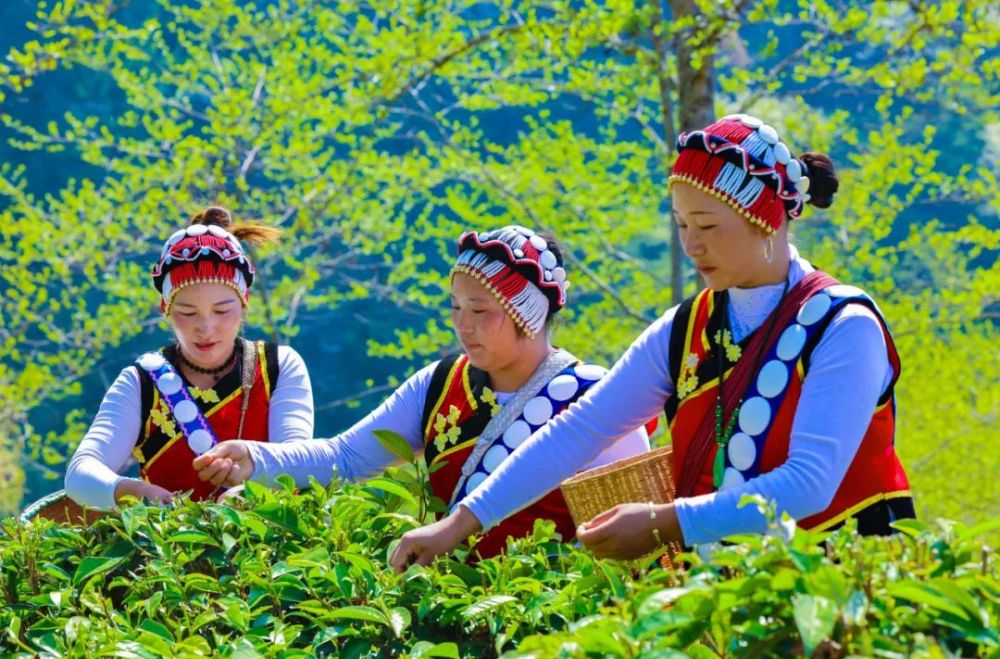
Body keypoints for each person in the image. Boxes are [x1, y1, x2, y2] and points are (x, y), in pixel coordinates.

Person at [388, 114, 915, 570]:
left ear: (765, 221)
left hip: (843, 588)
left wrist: (665, 522)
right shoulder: (686, 328)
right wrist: (459, 524)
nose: (691, 244)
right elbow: (581, 428)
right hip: (722, 600)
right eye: (682, 224)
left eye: (707, 224)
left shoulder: (843, 327)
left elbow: (808, 484)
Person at [192, 226, 651, 559]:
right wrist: (258, 460)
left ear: (528, 312)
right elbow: (348, 458)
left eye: (480, 309)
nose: (463, 325)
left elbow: (626, 544)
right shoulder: (441, 383)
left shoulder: (597, 400)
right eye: (455, 307)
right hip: (446, 608)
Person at [64, 206, 315, 509]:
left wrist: (252, 491)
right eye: (187, 313)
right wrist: (128, 489)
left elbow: (299, 460)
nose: (206, 328)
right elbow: (80, 474)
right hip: (166, 549)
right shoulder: (141, 382)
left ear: (244, 301)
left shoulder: (277, 367)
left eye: (222, 310)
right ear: (165, 309)